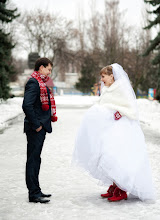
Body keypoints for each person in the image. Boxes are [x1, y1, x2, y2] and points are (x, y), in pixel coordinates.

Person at [72, 63, 155, 202]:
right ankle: (115, 185)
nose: (102, 80)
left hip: (122, 129)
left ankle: (122, 188)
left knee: (118, 157)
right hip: (109, 129)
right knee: (108, 157)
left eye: (103, 76)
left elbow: (131, 108)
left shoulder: (121, 88)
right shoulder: (107, 89)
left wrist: (120, 112)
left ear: (112, 76)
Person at [22, 57, 58, 203]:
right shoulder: (34, 82)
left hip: (38, 127)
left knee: (36, 159)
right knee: (33, 160)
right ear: (41, 67)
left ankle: (36, 190)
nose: (50, 72)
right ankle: (33, 193)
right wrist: (37, 125)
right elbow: (27, 105)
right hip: (35, 128)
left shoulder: (41, 82)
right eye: (48, 69)